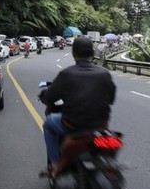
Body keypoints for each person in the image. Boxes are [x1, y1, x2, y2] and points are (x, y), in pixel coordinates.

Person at [39, 36, 116, 176]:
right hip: (100, 126)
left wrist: (44, 96)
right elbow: (111, 99)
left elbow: (50, 97)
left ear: (74, 54)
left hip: (73, 126)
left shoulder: (66, 74)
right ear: (92, 54)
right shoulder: (104, 73)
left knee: (48, 124)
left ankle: (55, 163)